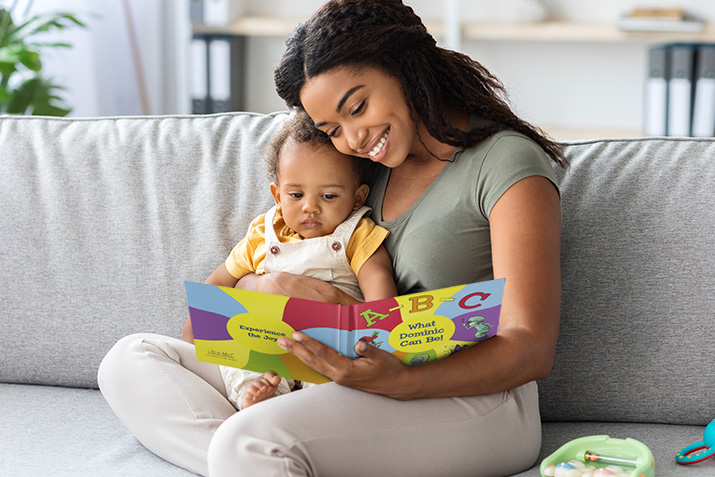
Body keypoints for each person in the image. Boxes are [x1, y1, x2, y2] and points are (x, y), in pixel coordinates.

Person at [99, 0, 564, 475]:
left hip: (474, 400)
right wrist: (256, 295)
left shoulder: (506, 163)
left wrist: (399, 380)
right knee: (131, 360)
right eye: (331, 129)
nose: (355, 139)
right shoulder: (360, 170)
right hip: (336, 373)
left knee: (249, 441)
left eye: (357, 107)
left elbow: (529, 345)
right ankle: (255, 459)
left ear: (405, 66)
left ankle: (254, 455)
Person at [193, 112, 396, 410]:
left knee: (332, 387)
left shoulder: (356, 234)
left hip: (330, 348)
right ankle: (258, 397)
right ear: (277, 195)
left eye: (328, 196)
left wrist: (378, 339)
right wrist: (196, 330)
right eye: (296, 194)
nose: (310, 207)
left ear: (356, 198)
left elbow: (379, 285)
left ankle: (304, 412)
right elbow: (219, 286)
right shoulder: (263, 234)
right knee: (244, 363)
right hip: (268, 344)